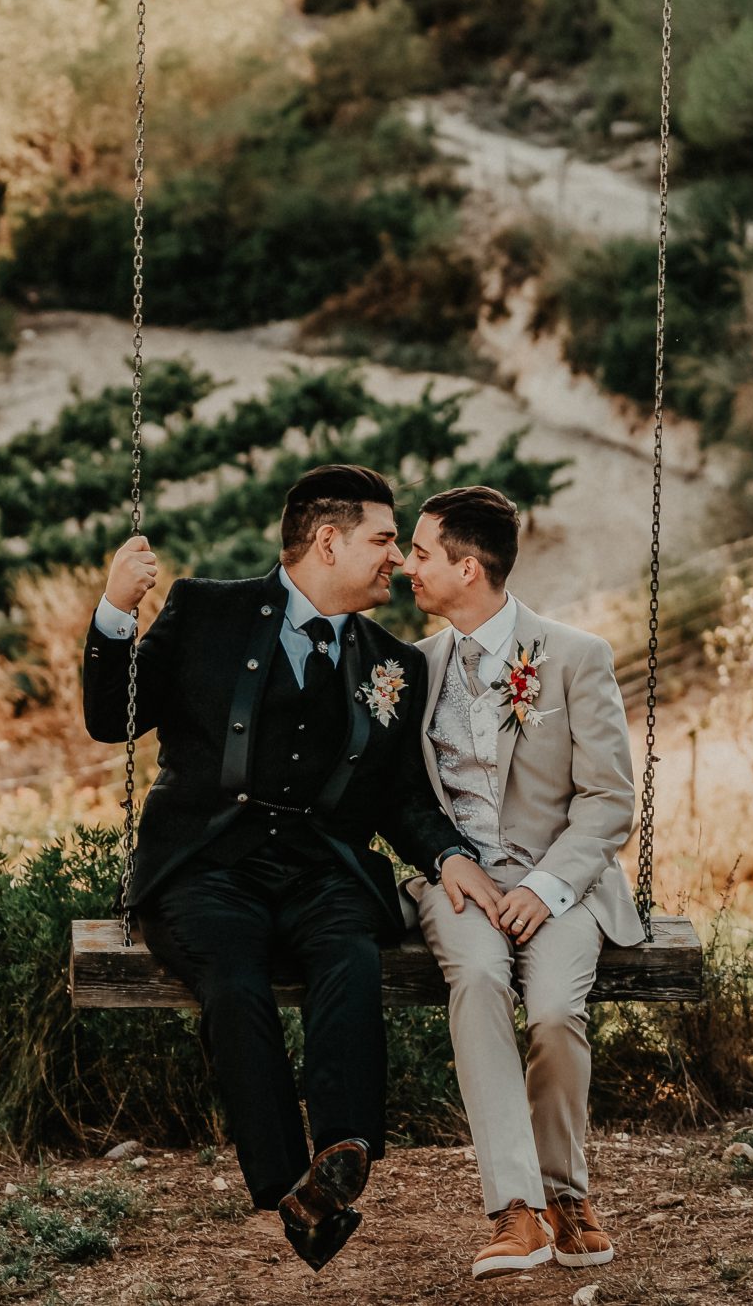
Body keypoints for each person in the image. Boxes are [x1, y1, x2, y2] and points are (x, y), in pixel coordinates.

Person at [84, 463, 502, 1270]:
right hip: (206, 867)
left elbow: (403, 798)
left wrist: (448, 853)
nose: (399, 560)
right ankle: (289, 1187)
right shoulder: (207, 608)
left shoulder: (394, 664)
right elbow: (113, 718)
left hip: (323, 871)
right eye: (385, 540)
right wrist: (113, 608)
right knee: (233, 980)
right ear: (328, 539)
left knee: (348, 954)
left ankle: (342, 1153)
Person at [399, 484, 643, 1279]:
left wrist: (544, 885)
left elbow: (610, 798)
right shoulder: (413, 668)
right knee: (474, 975)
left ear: (468, 568)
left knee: (553, 1012)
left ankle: (565, 1192)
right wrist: (446, 864)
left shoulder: (575, 656)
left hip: (561, 878)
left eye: (422, 551)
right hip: (459, 881)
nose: (409, 565)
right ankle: (515, 1208)